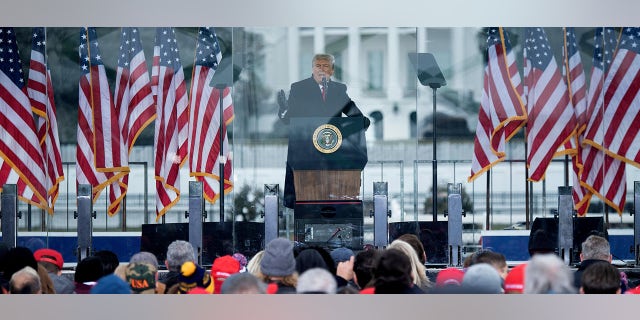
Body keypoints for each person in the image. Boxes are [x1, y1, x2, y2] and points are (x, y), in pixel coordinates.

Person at [278, 53, 370, 208]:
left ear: (332, 70)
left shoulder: (338, 90)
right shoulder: (299, 88)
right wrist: (283, 109)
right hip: (306, 155)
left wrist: (361, 122)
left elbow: (356, 117)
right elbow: (288, 119)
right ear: (312, 69)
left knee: (334, 204)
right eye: (318, 66)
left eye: (325, 66)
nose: (321, 69)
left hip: (334, 157)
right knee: (307, 203)